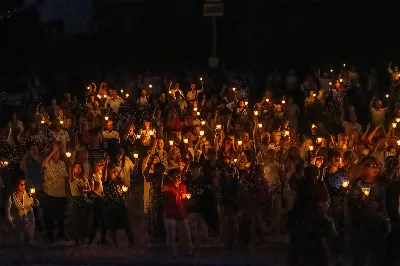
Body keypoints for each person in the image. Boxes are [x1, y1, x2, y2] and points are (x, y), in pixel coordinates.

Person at [162, 168, 192, 257]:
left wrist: (186, 197)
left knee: (186, 233)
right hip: (170, 213)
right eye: (175, 176)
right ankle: (172, 252)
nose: (178, 178)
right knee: (171, 234)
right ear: (171, 177)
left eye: (179, 176)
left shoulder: (182, 187)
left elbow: (183, 198)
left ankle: (188, 251)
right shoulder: (168, 187)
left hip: (181, 213)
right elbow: (162, 189)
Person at [6, 174, 39, 244]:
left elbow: (35, 204)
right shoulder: (12, 196)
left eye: (23, 184)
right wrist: (10, 220)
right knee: (20, 240)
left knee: (29, 239)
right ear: (16, 185)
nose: (22, 186)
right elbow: (8, 209)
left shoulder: (28, 194)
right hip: (18, 221)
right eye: (20, 184)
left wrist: (34, 198)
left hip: (29, 219)